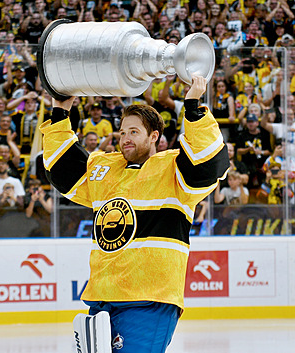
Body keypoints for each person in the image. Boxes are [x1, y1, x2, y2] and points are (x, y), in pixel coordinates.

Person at [40, 75, 228, 352]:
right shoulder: (105, 168)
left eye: (134, 132)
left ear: (154, 136)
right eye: (123, 131)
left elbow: (210, 163)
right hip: (101, 299)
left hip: (149, 300)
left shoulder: (174, 170)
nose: (125, 138)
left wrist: (192, 108)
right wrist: (60, 113)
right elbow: (60, 167)